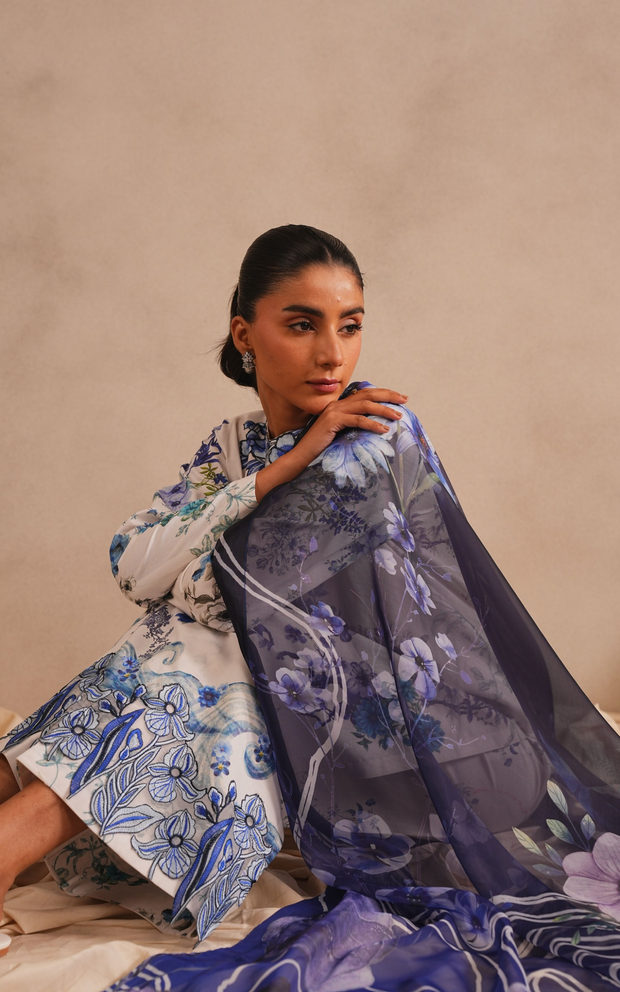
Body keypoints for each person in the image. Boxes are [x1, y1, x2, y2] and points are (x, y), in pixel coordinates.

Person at [3, 226, 620, 992]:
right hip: (263, 703)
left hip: (393, 724)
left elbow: (248, 599)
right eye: (303, 324)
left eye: (350, 325)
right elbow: (134, 563)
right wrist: (278, 471)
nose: (333, 353)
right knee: (187, 656)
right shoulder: (234, 446)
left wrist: (210, 558)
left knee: (195, 652)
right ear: (246, 335)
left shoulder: (375, 433)